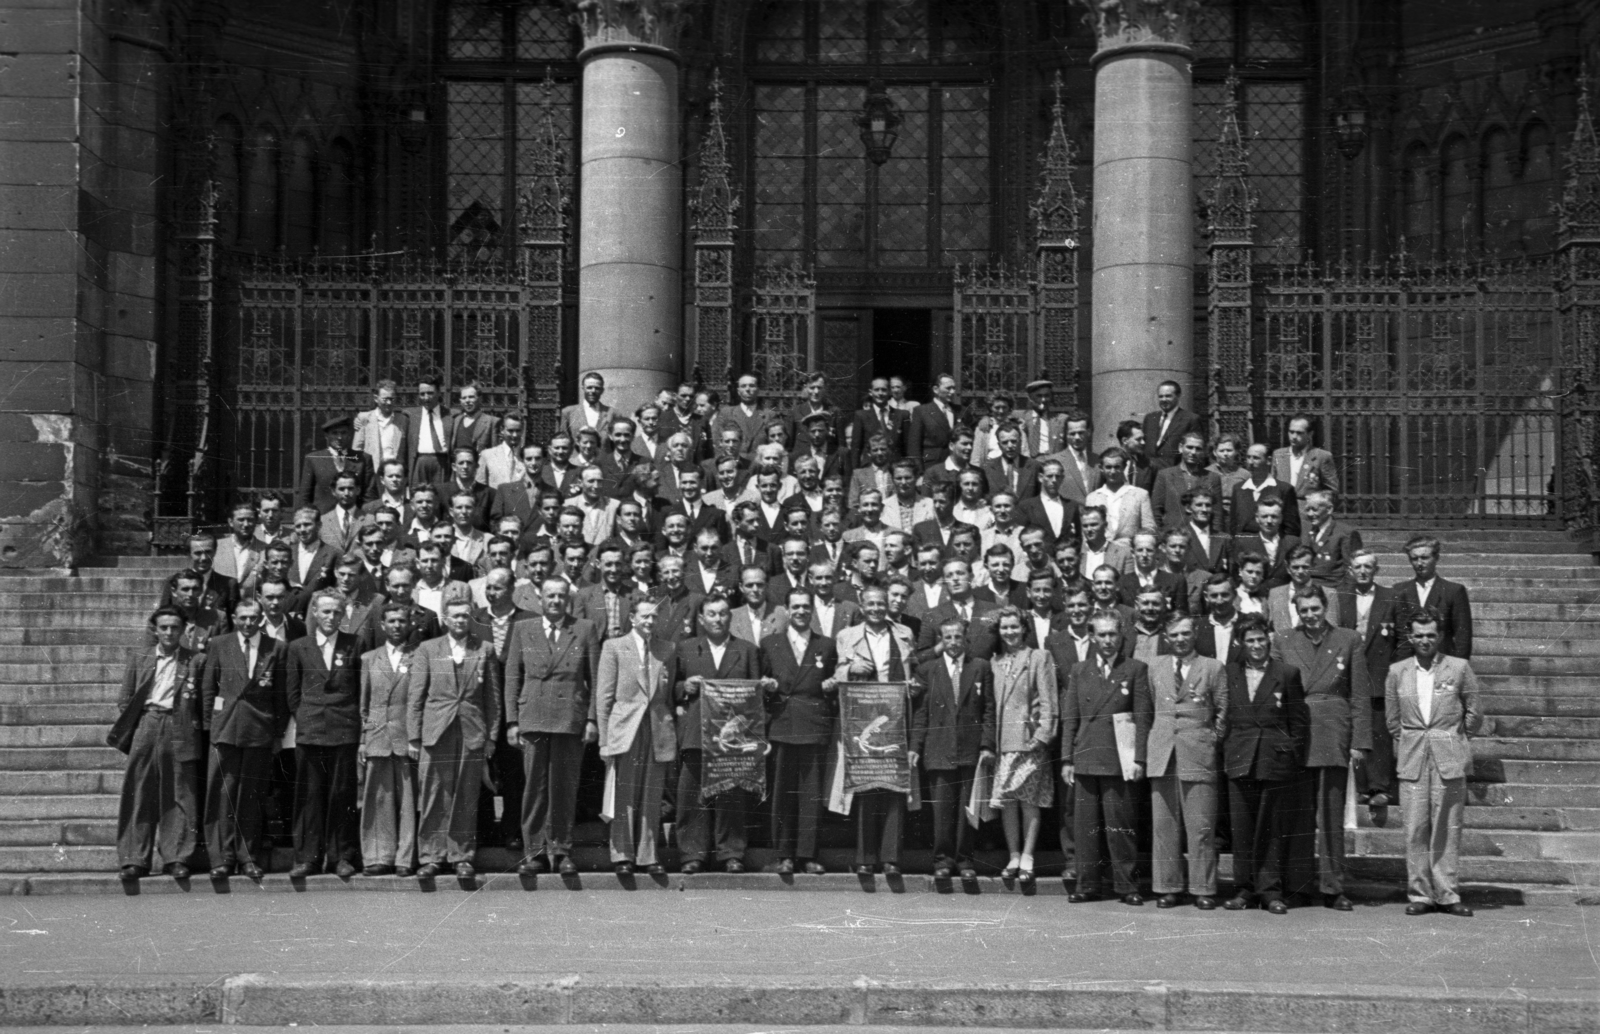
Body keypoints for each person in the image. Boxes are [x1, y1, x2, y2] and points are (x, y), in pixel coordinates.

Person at [1273, 583, 1371, 910]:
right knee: (1300, 815)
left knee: (1331, 814)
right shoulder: (1285, 639)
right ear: (1296, 612)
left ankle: (1333, 886)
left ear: (1325, 607)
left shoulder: (1348, 639)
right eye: (1304, 611)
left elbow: (1359, 694)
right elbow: (1274, 688)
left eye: (1315, 609)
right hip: (1298, 732)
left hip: (1333, 732)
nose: (1311, 616)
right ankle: (1298, 885)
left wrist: (1359, 741)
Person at [503, 578, 600, 875]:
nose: (555, 600)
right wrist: (512, 721)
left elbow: (595, 679)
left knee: (564, 787)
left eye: (561, 596)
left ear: (568, 599)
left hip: (569, 717)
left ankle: (561, 849)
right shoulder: (523, 628)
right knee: (534, 787)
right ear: (540, 599)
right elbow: (511, 676)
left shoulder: (584, 629)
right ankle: (534, 852)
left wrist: (592, 719)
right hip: (533, 716)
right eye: (550, 596)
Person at [1390, 609, 1482, 917]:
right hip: (1413, 755)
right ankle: (1420, 894)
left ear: (1439, 636)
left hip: (1449, 756)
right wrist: (1410, 740)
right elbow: (1393, 721)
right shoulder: (1397, 671)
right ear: (1410, 637)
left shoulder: (1458, 668)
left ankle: (1447, 893)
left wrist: (1454, 740)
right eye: (1419, 635)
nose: (1425, 640)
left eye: (1430, 634)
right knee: (1415, 826)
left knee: (1447, 826)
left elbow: (1474, 713)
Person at [408, 598, 501, 879]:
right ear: (445, 619)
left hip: (471, 731)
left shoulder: (484, 650)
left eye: (465, 616)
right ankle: (432, 856)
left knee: (465, 794)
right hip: (436, 732)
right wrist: (414, 736)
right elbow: (416, 696)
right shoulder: (428, 649)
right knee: (434, 794)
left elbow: (493, 699)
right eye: (455, 616)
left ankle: (461, 856)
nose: (460, 620)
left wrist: (491, 737)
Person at [1061, 614, 1151, 905]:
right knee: (1085, 827)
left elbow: (1142, 717)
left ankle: (1126, 886)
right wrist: (1066, 759)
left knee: (1120, 825)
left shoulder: (1135, 669)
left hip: (1119, 758)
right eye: (1101, 636)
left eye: (1112, 634)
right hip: (1086, 755)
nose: (1108, 641)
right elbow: (1070, 718)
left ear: (1121, 636)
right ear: (1093, 638)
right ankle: (1087, 885)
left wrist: (1139, 758)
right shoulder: (1079, 670)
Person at [113, 606, 208, 881]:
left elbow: (202, 701)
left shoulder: (195, 660)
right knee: (138, 790)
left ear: (183, 630)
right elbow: (124, 698)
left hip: (179, 724)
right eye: (164, 627)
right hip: (147, 722)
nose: (169, 632)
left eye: (174, 627)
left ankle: (176, 856)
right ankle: (134, 858)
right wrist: (141, 720)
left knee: (179, 791)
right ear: (155, 629)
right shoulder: (139, 657)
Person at [1223, 613, 1307, 913]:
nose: (1257, 645)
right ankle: (1244, 890)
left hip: (1274, 760)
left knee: (1271, 828)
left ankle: (1271, 891)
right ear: (1241, 643)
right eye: (1250, 640)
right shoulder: (1229, 673)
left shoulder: (1286, 673)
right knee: (1242, 828)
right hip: (1240, 759)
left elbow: (1298, 722)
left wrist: (1290, 754)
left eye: (1261, 639)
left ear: (1269, 639)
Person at [834, 585, 920, 877]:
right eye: (870, 604)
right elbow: (836, 676)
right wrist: (851, 669)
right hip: (862, 719)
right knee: (866, 785)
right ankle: (865, 857)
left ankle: (891, 858)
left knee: (895, 787)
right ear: (861, 604)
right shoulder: (847, 636)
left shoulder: (904, 634)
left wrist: (915, 685)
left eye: (881, 603)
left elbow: (916, 670)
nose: (876, 609)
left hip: (896, 718)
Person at [673, 595, 761, 873]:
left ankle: (731, 853)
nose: (717, 619)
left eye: (723, 614)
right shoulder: (686, 648)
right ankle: (692, 855)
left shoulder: (746, 650)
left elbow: (755, 694)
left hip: (732, 737)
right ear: (701, 619)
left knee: (731, 795)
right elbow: (672, 688)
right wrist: (683, 687)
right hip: (696, 733)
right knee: (691, 796)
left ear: (730, 617)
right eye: (711, 614)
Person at [1145, 613, 1227, 909]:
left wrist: (1207, 741)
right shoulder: (1155, 666)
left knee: (1201, 825)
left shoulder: (1213, 667)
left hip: (1198, 752)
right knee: (1164, 826)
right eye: (1174, 635)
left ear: (1195, 635)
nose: (1180, 639)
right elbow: (1151, 705)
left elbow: (1222, 713)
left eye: (1185, 633)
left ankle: (1203, 888)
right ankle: (1168, 886)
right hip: (1164, 752)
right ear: (1166, 637)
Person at [593, 597, 677, 876]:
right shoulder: (614, 647)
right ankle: (623, 856)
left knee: (651, 794)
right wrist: (604, 740)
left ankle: (648, 855)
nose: (650, 622)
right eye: (645, 617)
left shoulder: (666, 649)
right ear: (632, 618)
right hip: (624, 729)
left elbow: (668, 690)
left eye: (654, 617)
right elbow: (604, 697)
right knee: (624, 794)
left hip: (656, 727)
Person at [760, 590, 840, 875]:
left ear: (813, 610)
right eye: (796, 606)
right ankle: (784, 854)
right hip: (782, 724)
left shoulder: (826, 645)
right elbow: (764, 688)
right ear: (787, 609)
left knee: (811, 794)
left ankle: (808, 854)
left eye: (807, 606)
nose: (802, 611)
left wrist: (833, 683)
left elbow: (833, 685)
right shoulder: (769, 644)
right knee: (782, 793)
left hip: (813, 725)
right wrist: (766, 685)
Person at [911, 616, 995, 882]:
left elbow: (989, 709)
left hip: (970, 749)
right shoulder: (929, 670)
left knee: (967, 810)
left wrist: (987, 744)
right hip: (939, 749)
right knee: (942, 810)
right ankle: (942, 860)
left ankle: (965, 859)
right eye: (948, 637)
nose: (953, 642)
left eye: (958, 637)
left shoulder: (980, 667)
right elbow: (922, 713)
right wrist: (915, 746)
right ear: (941, 640)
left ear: (965, 639)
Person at [985, 606, 1058, 884]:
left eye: (1014, 626)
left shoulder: (1039, 657)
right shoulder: (995, 661)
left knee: (1029, 801)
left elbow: (1049, 700)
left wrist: (1042, 735)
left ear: (1024, 628)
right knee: (1006, 802)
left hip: (1030, 742)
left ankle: (1028, 856)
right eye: (1005, 628)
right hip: (1004, 743)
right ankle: (1013, 855)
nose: (1010, 632)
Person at [1338, 549, 1403, 823]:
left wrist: (1395, 673)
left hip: (1379, 672)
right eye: (1357, 566)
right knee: (1354, 728)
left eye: (1368, 566)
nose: (1362, 571)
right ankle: (1360, 787)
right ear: (1350, 570)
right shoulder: (1341, 598)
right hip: (1349, 671)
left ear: (1376, 570)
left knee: (1378, 729)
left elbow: (1402, 639)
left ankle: (1380, 787)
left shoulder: (1391, 597)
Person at [358, 602, 419, 876]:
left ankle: (405, 859)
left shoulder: (421, 655)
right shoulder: (369, 658)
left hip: (407, 738)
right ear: (382, 625)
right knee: (378, 800)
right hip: (378, 738)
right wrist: (365, 737)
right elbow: (365, 705)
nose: (397, 626)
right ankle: (379, 856)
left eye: (402, 621)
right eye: (391, 621)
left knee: (408, 802)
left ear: (410, 624)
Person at [1393, 534, 1474, 661]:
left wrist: (1457, 668)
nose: (1419, 563)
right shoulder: (1399, 590)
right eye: (1415, 558)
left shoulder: (1453, 591)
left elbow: (1462, 637)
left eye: (1425, 558)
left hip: (1442, 663)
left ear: (1436, 558)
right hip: (1408, 664)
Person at [297, 415, 372, 514]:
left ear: (349, 435)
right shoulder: (313, 459)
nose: (339, 437)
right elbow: (304, 497)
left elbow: (370, 495)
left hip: (355, 519)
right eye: (335, 433)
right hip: (323, 520)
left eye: (343, 433)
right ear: (326, 436)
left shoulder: (363, 459)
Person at [1151, 432, 1222, 530]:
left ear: (1203, 452)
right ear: (1181, 447)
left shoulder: (1212, 477)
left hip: (1202, 535)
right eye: (1189, 447)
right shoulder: (1165, 475)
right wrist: (1160, 535)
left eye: (1198, 449)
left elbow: (1217, 513)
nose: (1193, 452)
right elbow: (1156, 510)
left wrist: (1215, 539)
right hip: (1174, 535)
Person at [1085, 448, 1155, 545]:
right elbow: (1086, 532)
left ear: (1124, 467)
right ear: (1101, 468)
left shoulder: (1140, 495)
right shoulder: (1092, 498)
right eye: (1108, 467)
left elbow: (1149, 528)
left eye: (1117, 467)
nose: (1113, 472)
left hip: (1130, 553)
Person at [1231, 442, 1301, 537]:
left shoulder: (1284, 490)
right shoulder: (1238, 489)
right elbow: (1233, 525)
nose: (1250, 462)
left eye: (1256, 458)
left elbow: (1292, 530)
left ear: (1268, 460)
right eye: (1248, 457)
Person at [1301, 489, 1361, 589]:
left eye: (1314, 509)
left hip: (1332, 589)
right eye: (1307, 510)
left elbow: (1352, 571)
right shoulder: (1306, 531)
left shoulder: (1345, 533)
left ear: (1329, 509)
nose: (1310, 514)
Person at [1272, 415, 1340, 502]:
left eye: (1299, 433)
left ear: (1310, 434)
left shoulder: (1321, 456)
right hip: (1283, 510)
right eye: (1291, 432)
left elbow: (1332, 490)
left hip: (1308, 512)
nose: (1294, 436)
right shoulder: (1279, 455)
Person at [1141, 380, 1202, 472]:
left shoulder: (1190, 419)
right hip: (1147, 474)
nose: (1164, 399)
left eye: (1168, 396)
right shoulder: (1150, 418)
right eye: (1161, 396)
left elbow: (1196, 450)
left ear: (1178, 396)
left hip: (1173, 474)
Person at [848, 377, 908, 466]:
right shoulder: (861, 416)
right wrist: (856, 472)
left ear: (889, 392)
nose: (880, 393)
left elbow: (908, 447)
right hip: (869, 467)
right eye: (876, 390)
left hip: (895, 468)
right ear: (871, 392)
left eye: (884, 390)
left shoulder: (902, 415)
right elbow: (856, 448)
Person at [907, 372, 960, 472]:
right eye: (948, 388)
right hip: (931, 466)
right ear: (936, 389)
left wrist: (985, 419)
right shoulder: (922, 411)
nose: (952, 392)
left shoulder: (959, 411)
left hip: (955, 465)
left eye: (954, 388)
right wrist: (919, 473)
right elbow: (913, 446)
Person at [980, 425, 1041, 502]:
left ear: (1020, 442)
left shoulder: (1034, 466)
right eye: (1005, 442)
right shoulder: (987, 468)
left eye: (1014, 441)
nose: (1010, 446)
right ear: (999, 445)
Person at [214, 502, 265, 585]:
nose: (246, 524)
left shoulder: (265, 549)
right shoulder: (217, 547)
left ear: (256, 522)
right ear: (230, 522)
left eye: (250, 520)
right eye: (241, 520)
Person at [560, 370, 615, 444]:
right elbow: (563, 441)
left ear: (602, 390)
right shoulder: (568, 412)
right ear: (583, 388)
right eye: (589, 387)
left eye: (597, 388)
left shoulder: (612, 413)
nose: (593, 391)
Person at [447, 382, 499, 457]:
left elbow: (495, 452)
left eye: (471, 397)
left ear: (480, 399)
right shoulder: (456, 420)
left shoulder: (491, 422)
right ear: (460, 401)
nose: (467, 401)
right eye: (464, 398)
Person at [476, 414, 526, 488]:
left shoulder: (528, 457)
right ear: (502, 430)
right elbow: (480, 485)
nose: (514, 435)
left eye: (518, 431)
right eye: (510, 431)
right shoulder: (487, 455)